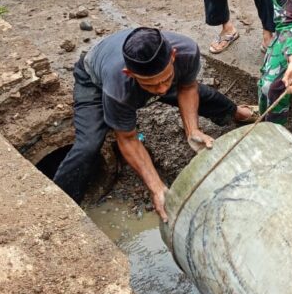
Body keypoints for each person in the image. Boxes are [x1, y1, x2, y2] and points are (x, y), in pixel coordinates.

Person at [53, 28, 256, 220]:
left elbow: (187, 88)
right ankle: (59, 208)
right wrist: (157, 187)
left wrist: (192, 129)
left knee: (203, 95)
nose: (160, 90)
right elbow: (127, 138)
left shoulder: (187, 51)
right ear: (129, 74)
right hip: (93, 81)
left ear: (173, 56)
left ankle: (238, 112)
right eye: (151, 84)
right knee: (88, 146)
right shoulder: (118, 88)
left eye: (166, 80)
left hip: (135, 73)